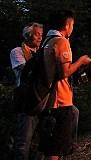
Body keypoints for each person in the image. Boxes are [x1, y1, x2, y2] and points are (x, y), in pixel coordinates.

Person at [40, 10, 91, 160]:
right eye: (72, 25)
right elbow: (65, 72)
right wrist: (81, 61)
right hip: (59, 101)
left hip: (49, 99)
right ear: (67, 24)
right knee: (56, 149)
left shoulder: (47, 41)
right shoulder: (61, 41)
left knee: (51, 148)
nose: (72, 28)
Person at [10, 22, 44, 160]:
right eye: (37, 34)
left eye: (41, 35)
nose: (40, 38)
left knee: (42, 140)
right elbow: (25, 71)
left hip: (41, 99)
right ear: (27, 36)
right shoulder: (17, 51)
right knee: (23, 141)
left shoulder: (41, 53)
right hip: (26, 101)